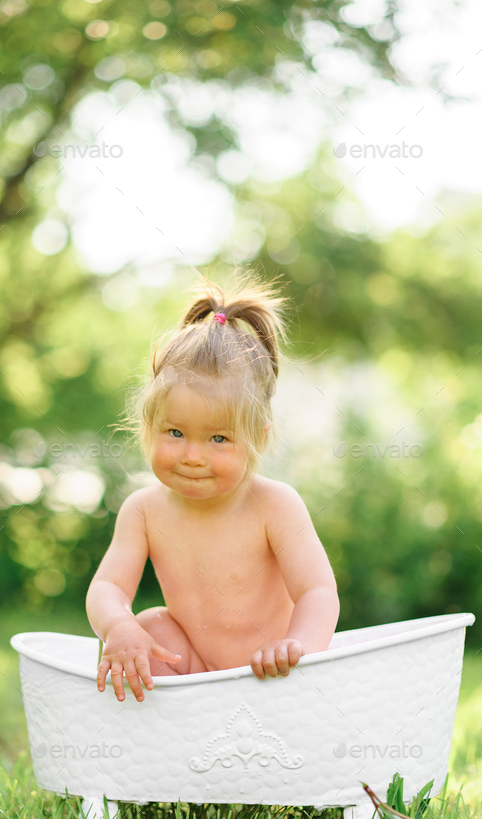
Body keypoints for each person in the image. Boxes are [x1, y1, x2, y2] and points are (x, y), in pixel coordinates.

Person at [86, 268, 339, 703]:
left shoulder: (274, 505)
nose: (193, 455)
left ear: (258, 437)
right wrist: (119, 625)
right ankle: (168, 730)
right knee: (148, 626)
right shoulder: (144, 511)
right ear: (148, 427)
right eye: (175, 433)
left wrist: (298, 647)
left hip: (274, 674)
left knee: (292, 649)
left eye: (218, 438)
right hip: (194, 675)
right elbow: (107, 588)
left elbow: (317, 591)